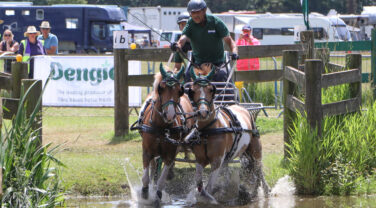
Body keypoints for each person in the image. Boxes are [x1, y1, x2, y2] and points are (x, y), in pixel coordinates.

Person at [172, 0, 238, 82]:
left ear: (204, 10)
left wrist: (234, 52)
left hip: (218, 63)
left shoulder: (215, 22)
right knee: (188, 76)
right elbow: (183, 38)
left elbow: (229, 40)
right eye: (193, 13)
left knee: (222, 76)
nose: (195, 15)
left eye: (198, 12)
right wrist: (178, 45)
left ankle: (231, 94)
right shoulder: (190, 23)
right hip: (198, 64)